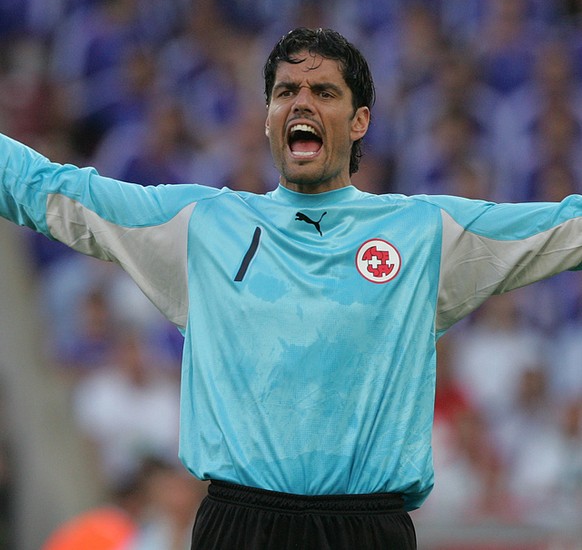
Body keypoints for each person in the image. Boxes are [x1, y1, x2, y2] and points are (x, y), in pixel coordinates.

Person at [2, 27, 582, 549]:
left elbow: (567, 227)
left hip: (369, 530)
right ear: (268, 117)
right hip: (239, 527)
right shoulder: (200, 225)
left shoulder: (426, 231)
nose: (301, 102)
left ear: (359, 122)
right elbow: (52, 190)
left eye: (324, 92)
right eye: (285, 93)